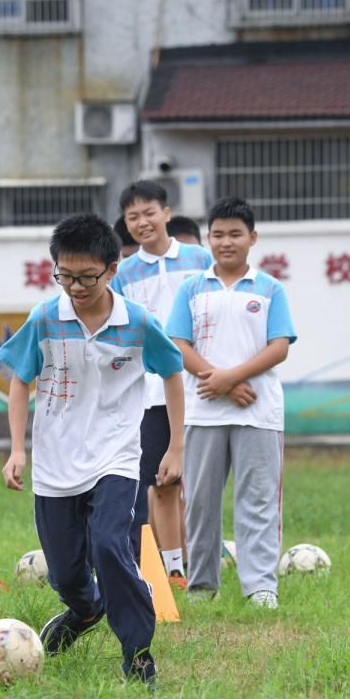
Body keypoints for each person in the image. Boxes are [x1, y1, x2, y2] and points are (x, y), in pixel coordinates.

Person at [0, 212, 185, 688]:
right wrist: (17, 449)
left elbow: (172, 374)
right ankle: (84, 610)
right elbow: (20, 381)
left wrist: (176, 446)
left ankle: (138, 654)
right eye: (65, 275)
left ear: (112, 269)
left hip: (117, 456)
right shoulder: (45, 317)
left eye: (86, 277)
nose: (75, 287)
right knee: (64, 573)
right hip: (57, 461)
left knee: (110, 547)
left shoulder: (138, 323)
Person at [166, 196, 297, 607]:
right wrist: (220, 382)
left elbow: (279, 346)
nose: (226, 241)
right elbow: (177, 343)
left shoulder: (269, 287)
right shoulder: (192, 288)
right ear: (208, 239)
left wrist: (232, 377)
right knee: (201, 502)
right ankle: (202, 586)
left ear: (252, 238)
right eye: (218, 234)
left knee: (258, 498)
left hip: (258, 412)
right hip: (203, 412)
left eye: (235, 234)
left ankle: (260, 586)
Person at [111, 180, 211, 582]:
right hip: (153, 395)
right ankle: (173, 571)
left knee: (202, 486)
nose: (142, 222)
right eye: (133, 216)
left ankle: (205, 565)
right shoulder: (123, 273)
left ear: (166, 213)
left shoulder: (201, 259)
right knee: (163, 482)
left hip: (204, 390)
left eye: (149, 212)